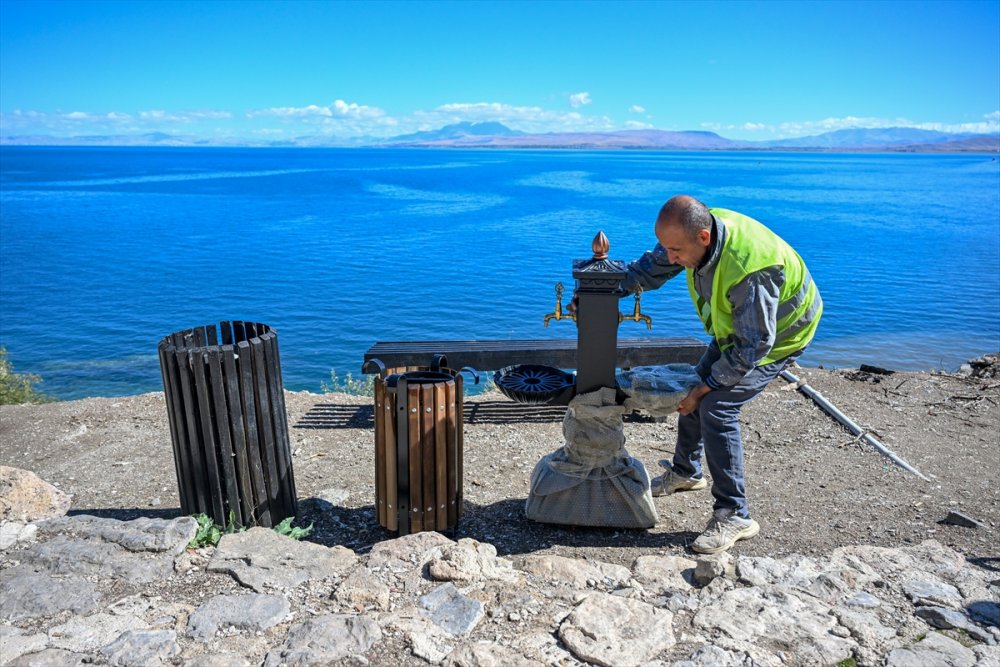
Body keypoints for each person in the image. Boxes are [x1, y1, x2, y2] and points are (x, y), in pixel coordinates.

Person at [622, 195, 822, 554]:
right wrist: (606, 289)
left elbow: (753, 347)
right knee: (694, 386)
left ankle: (735, 515)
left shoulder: (750, 271)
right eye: (666, 247)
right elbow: (653, 267)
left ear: (702, 237)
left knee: (715, 406)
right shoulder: (695, 230)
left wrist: (704, 389)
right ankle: (686, 472)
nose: (670, 257)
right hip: (741, 329)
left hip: (780, 335)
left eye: (676, 250)